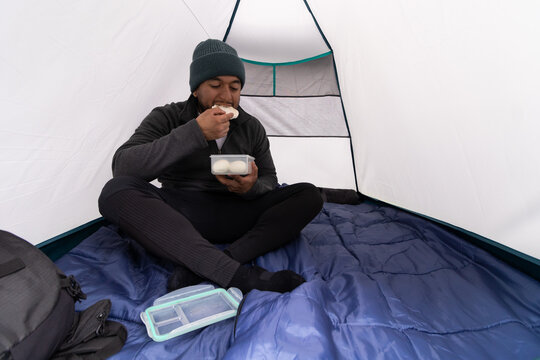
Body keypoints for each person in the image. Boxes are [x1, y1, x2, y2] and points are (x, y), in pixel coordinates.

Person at [98, 39, 323, 294]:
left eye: (235, 87)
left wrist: (251, 187)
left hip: (237, 210)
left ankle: (217, 260)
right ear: (196, 90)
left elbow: (270, 178)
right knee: (115, 191)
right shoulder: (167, 117)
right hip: (181, 215)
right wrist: (194, 132)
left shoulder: (251, 126)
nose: (226, 96)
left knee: (308, 194)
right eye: (215, 85)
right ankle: (240, 276)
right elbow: (124, 166)